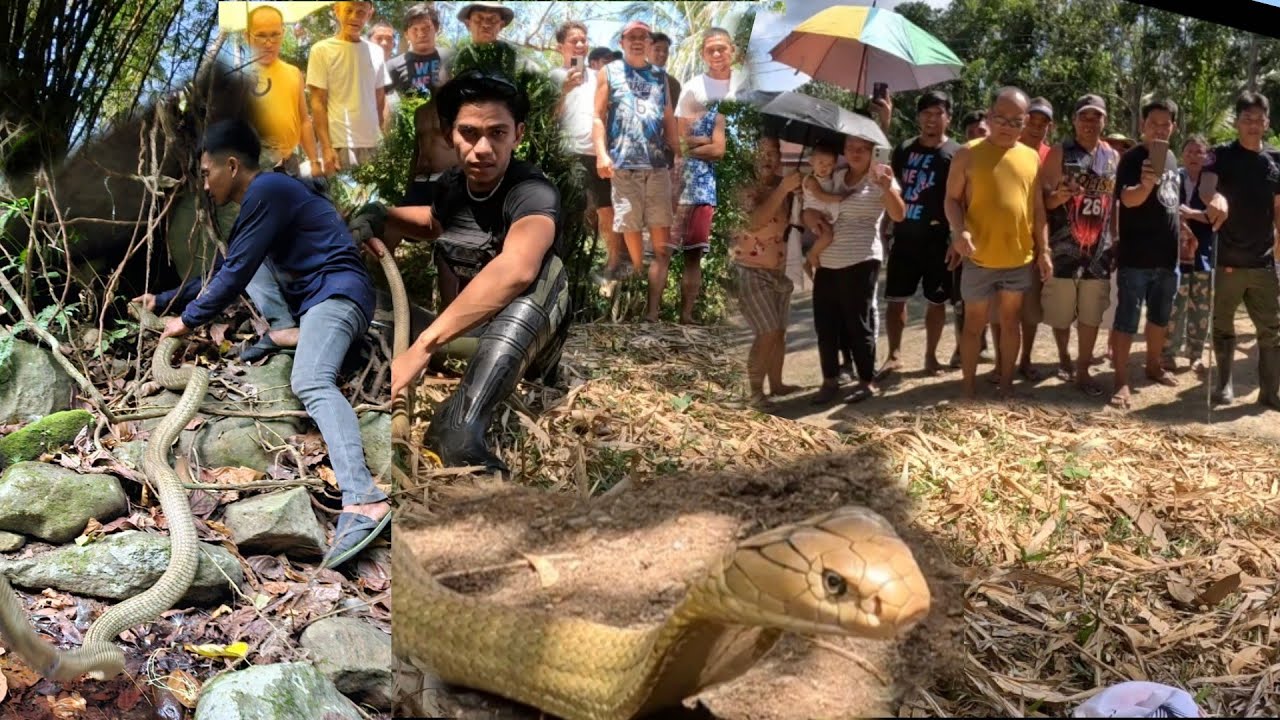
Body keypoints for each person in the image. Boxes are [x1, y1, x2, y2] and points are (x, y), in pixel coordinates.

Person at [134, 119, 390, 569]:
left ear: (232, 166)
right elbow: (231, 266)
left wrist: (186, 321)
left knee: (311, 380)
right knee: (250, 264)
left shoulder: (268, 189)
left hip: (339, 294)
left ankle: (364, 496)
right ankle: (287, 332)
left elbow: (231, 277)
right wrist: (165, 299)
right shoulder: (265, 200)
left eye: (208, 173)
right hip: (315, 301)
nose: (206, 185)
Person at [367, 72, 569, 475]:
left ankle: (457, 428)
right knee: (366, 304)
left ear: (518, 135)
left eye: (497, 133)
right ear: (449, 135)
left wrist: (422, 346)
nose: (482, 148)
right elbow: (432, 225)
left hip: (524, 349)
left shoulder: (532, 192)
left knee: (547, 273)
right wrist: (380, 214)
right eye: (469, 133)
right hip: (465, 338)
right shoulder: (451, 186)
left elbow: (516, 269)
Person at [945, 86, 1050, 400]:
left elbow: (1038, 209)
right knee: (974, 325)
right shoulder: (967, 153)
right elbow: (951, 200)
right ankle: (967, 389)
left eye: (1016, 121)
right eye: (1001, 119)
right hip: (978, 258)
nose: (1008, 126)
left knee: (1009, 323)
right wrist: (959, 231)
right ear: (989, 117)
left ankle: (1006, 386)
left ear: (1024, 123)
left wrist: (1044, 251)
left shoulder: (1031, 158)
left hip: (1018, 259)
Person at [809, 134, 906, 404]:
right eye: (851, 147)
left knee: (858, 322)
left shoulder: (881, 177)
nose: (856, 152)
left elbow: (899, 215)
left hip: (862, 257)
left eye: (863, 148)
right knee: (826, 323)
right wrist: (813, 215)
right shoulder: (836, 177)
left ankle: (866, 380)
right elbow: (812, 205)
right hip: (828, 260)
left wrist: (886, 188)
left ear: (872, 151)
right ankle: (830, 380)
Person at [593, 20, 679, 322]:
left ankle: (653, 313)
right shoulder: (609, 72)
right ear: (622, 41)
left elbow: (669, 119)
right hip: (624, 167)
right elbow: (598, 117)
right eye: (633, 36)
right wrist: (601, 153)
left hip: (657, 169)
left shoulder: (660, 77)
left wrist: (677, 156)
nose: (639, 41)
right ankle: (635, 286)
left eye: (644, 36)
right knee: (631, 240)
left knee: (661, 248)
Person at [1200, 91, 1280, 407]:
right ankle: (1224, 386)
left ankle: (1270, 392)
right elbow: (1207, 186)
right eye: (1247, 119)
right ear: (1237, 122)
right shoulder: (1220, 154)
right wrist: (1214, 198)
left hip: (1263, 262)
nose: (1253, 125)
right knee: (1222, 325)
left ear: (1267, 122)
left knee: (1272, 330)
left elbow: (1278, 207)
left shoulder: (1276, 159)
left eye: (1259, 119)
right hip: (1228, 259)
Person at [1039, 94, 1120, 397]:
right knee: (1061, 313)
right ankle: (1063, 356)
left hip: (1100, 250)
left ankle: (1083, 370)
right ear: (1074, 121)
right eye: (1084, 116)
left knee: (1091, 313)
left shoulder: (1113, 157)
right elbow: (1043, 200)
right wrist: (1059, 196)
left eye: (1096, 116)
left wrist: (1116, 240)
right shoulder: (1060, 152)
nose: (1090, 122)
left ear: (1104, 121)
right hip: (1063, 246)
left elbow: (1114, 206)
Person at [880, 91, 963, 377]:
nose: (931, 119)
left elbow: (963, 198)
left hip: (938, 238)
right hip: (904, 235)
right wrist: (884, 229)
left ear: (948, 118)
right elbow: (892, 188)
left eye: (938, 113)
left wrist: (956, 236)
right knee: (896, 298)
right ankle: (894, 354)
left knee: (936, 300)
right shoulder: (903, 149)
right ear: (918, 117)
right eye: (926, 113)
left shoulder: (956, 153)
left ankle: (931, 356)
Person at [1110, 99, 1182, 409]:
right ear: (1143, 125)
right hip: (1136, 256)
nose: (1160, 129)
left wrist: (1186, 229)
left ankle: (1153, 366)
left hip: (1168, 256)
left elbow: (1170, 202)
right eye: (1154, 123)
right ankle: (1121, 380)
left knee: (1159, 319)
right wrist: (1144, 184)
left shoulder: (1172, 159)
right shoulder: (1131, 158)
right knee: (1127, 319)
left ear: (1174, 127)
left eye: (1166, 124)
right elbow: (1127, 200)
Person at [664, 27, 740, 323]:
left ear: (732, 50)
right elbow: (680, 144)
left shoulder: (744, 86)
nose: (718, 54)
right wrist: (703, 143)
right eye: (711, 50)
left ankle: (686, 316)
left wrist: (704, 145)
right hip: (679, 186)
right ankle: (652, 315)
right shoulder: (693, 86)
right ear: (703, 54)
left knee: (694, 255)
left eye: (722, 48)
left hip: (707, 188)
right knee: (664, 251)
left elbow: (719, 152)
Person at [551, 22, 622, 299]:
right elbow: (547, 119)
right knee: (571, 212)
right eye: (574, 41)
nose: (580, 45)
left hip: (600, 153)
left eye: (583, 40)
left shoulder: (598, 76)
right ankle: (565, 269)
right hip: (569, 154)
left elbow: (609, 111)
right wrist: (564, 91)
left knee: (608, 211)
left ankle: (611, 270)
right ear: (560, 47)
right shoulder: (553, 76)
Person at [733, 137, 802, 404]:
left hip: (780, 270)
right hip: (750, 271)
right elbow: (754, 222)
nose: (768, 158)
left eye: (774, 153)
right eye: (761, 152)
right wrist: (783, 189)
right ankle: (754, 392)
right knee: (768, 331)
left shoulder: (782, 187)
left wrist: (795, 193)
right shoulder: (743, 187)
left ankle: (777, 384)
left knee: (779, 331)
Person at [306, 1, 390, 174]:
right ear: (337, 10)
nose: (354, 17)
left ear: (369, 14)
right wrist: (326, 147)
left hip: (373, 143)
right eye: (348, 10)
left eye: (360, 12)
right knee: (338, 200)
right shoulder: (321, 50)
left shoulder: (376, 52)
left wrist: (383, 137)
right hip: (339, 144)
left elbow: (380, 97)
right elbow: (317, 102)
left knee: (377, 200)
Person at [244, 5, 319, 176]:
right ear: (247, 36)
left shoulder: (293, 73)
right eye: (261, 36)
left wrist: (314, 161)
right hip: (255, 160)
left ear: (283, 32)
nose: (269, 43)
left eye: (275, 35)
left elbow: (304, 122)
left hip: (289, 161)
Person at [1164, 135, 1214, 376]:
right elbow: (1164, 206)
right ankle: (1169, 353)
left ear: (1207, 157)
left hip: (1204, 252)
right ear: (1183, 154)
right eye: (1190, 151)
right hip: (1174, 252)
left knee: (1201, 307)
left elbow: (1216, 216)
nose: (1195, 156)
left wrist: (1191, 214)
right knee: (1175, 304)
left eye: (1200, 152)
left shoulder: (1212, 182)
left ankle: (1195, 355)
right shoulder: (1174, 177)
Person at [385, 4, 451, 99]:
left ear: (436, 29)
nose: (421, 34)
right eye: (415, 29)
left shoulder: (452, 57)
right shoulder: (392, 66)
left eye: (426, 28)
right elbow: (376, 99)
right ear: (407, 34)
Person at [800, 144, 845, 271]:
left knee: (826, 237)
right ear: (811, 162)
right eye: (821, 162)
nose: (825, 167)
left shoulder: (830, 178)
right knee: (827, 236)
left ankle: (808, 263)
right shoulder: (810, 179)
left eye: (829, 164)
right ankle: (811, 254)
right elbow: (821, 196)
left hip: (822, 212)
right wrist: (839, 198)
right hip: (811, 212)